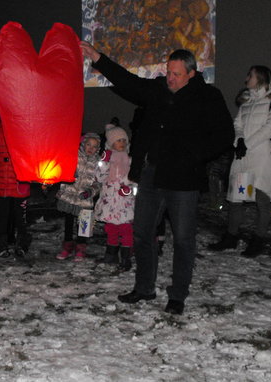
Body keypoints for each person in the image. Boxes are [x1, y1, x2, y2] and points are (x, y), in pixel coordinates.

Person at [82, 42, 234, 315]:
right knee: (142, 233)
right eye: (168, 72)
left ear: (191, 74)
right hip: (151, 174)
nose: (170, 78)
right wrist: (98, 58)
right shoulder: (158, 90)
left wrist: (194, 155)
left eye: (176, 74)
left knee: (183, 239)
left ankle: (177, 295)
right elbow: (129, 83)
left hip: (183, 179)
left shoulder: (208, 96)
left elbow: (224, 135)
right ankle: (144, 288)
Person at [209, 66, 271, 257]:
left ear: (260, 77)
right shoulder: (246, 102)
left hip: (262, 159)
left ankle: (258, 241)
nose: (246, 79)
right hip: (243, 157)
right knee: (237, 199)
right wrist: (239, 141)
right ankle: (231, 237)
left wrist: (248, 143)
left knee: (262, 200)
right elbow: (237, 125)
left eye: (250, 76)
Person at [94, 124, 137, 271]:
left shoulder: (130, 161)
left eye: (124, 141)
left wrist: (129, 190)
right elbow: (99, 178)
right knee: (111, 229)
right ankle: (111, 255)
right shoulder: (107, 160)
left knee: (126, 230)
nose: (122, 144)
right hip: (109, 202)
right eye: (118, 141)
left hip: (125, 204)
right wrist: (104, 162)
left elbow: (136, 182)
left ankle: (126, 258)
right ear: (111, 143)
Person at [0, 118, 32, 259]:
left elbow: (32, 155)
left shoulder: (25, 129)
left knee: (21, 219)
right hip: (2, 184)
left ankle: (22, 244)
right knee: (2, 218)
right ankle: (1, 244)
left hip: (20, 185)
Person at [55, 132, 101, 262]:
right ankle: (67, 246)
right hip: (70, 195)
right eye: (88, 144)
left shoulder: (98, 164)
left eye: (94, 146)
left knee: (84, 224)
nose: (91, 148)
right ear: (83, 144)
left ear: (98, 149)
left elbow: (99, 183)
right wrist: (69, 173)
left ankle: (81, 247)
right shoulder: (74, 156)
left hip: (85, 199)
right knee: (69, 223)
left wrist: (91, 191)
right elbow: (63, 170)